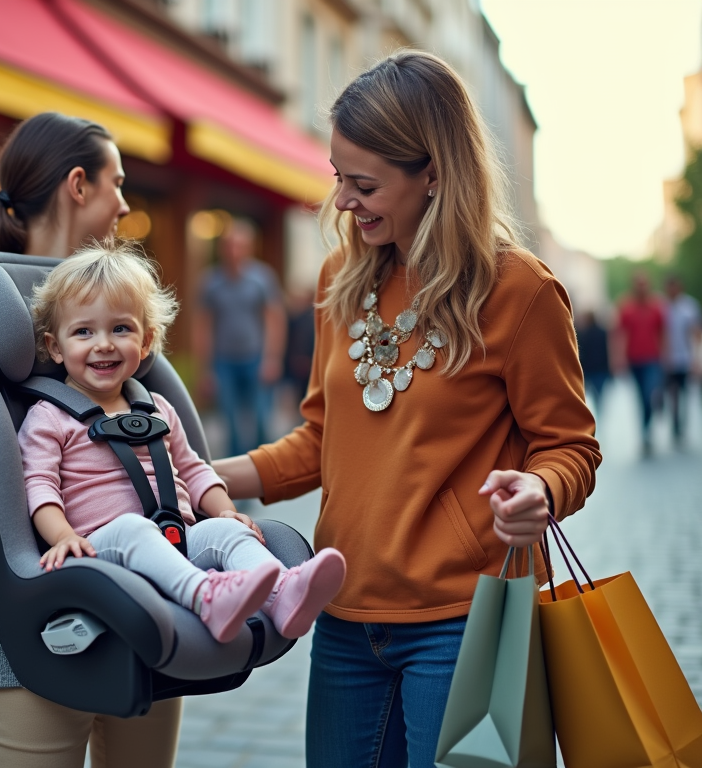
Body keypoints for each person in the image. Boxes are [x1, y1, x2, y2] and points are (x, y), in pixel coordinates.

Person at [212, 51, 601, 768]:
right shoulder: (342, 278)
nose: (344, 202)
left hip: (466, 619)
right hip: (343, 615)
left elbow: (572, 445)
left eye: (364, 184)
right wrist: (203, 476)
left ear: (434, 173)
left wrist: (540, 490)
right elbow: (322, 439)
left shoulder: (519, 290)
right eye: (339, 179)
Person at [0, 112, 179, 768]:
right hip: (23, 621)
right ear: (78, 184)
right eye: (116, 184)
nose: (124, 203)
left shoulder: (120, 298)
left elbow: (171, 434)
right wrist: (2, 483)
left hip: (147, 603)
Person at [22, 244, 346, 644]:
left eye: (121, 329)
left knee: (228, 533)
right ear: (55, 347)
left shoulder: (156, 408)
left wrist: (225, 511)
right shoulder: (49, 416)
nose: (103, 344)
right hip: (100, 552)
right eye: (84, 331)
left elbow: (192, 469)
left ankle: (283, 593)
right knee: (131, 529)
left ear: (145, 342)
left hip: (173, 538)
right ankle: (207, 597)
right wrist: (63, 537)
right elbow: (38, 486)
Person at [195, 219, 286, 456]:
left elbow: (274, 321)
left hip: (256, 357)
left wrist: (272, 359)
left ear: (249, 248)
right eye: (230, 245)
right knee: (231, 424)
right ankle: (239, 484)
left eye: (240, 245)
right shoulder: (211, 282)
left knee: (261, 420)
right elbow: (203, 327)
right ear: (222, 248)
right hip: (224, 362)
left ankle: (264, 475)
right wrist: (206, 369)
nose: (234, 250)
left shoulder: (263, 278)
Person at [616, 271, 666, 455]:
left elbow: (663, 333)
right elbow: (620, 335)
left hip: (653, 359)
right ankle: (645, 433)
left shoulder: (657, 306)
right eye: (639, 284)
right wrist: (618, 359)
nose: (641, 287)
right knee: (640, 398)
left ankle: (647, 428)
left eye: (644, 283)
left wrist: (665, 356)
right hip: (634, 360)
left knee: (649, 394)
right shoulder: (626, 306)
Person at [662, 274, 701, 446]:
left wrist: (696, 358)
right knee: (672, 393)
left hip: (685, 358)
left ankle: (681, 425)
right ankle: (675, 423)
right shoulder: (661, 307)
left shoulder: (689, 306)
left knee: (684, 394)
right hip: (668, 359)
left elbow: (696, 334)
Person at [576, 310, 611, 413]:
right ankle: (599, 409)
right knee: (599, 393)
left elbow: (582, 353)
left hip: (589, 368)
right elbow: (606, 349)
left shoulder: (583, 333)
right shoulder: (603, 332)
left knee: (585, 393)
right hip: (601, 367)